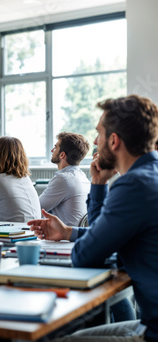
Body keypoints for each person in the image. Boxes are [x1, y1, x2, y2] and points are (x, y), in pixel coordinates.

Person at [28, 95, 158, 341]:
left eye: (99, 133)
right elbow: (106, 239)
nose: (96, 141)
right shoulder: (151, 175)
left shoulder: (133, 185)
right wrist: (69, 232)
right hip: (147, 323)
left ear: (114, 140)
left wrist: (99, 187)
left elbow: (85, 256)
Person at [39, 132, 90, 226]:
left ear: (62, 155)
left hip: (64, 238)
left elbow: (36, 207)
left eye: (55, 147)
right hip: (76, 235)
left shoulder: (63, 179)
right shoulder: (83, 177)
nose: (52, 150)